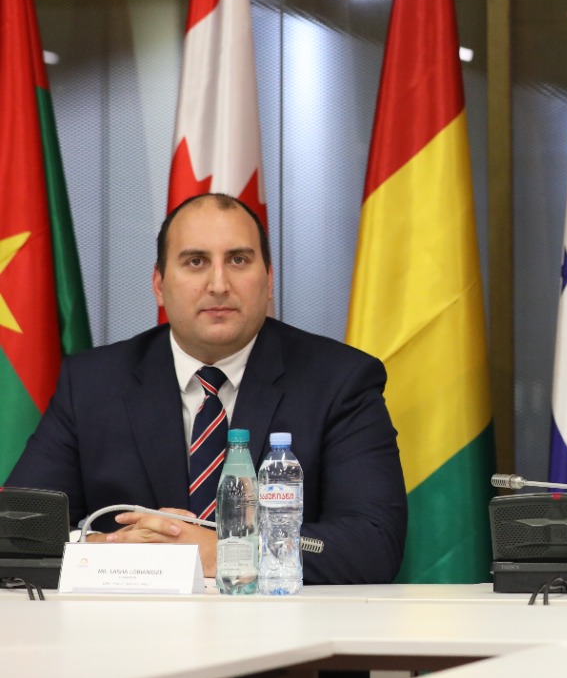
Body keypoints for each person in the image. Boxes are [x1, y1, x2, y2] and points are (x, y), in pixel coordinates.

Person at [5, 192, 407, 585]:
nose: (218, 284)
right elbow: (16, 531)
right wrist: (108, 547)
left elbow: (374, 543)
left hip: (279, 622)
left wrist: (221, 551)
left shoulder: (339, 380)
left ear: (268, 280)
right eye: (195, 262)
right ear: (159, 284)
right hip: (129, 624)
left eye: (238, 260)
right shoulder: (93, 383)